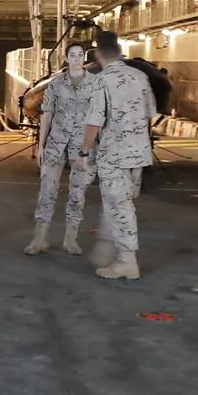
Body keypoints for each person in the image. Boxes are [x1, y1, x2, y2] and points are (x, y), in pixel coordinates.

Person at [76, 31, 157, 280]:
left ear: (98, 55)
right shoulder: (141, 76)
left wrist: (84, 152)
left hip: (114, 155)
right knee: (125, 204)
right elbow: (150, 113)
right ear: (120, 52)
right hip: (139, 153)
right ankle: (118, 254)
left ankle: (126, 261)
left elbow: (93, 123)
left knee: (117, 207)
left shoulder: (101, 81)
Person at [24, 42, 101, 257]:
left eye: (80, 55)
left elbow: (97, 116)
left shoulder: (95, 84)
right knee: (47, 190)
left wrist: (92, 147)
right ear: (66, 58)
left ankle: (70, 239)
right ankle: (39, 239)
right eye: (72, 55)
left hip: (82, 146)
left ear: (83, 58)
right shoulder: (56, 84)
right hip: (56, 143)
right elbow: (46, 115)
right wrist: (40, 146)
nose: (76, 58)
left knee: (78, 192)